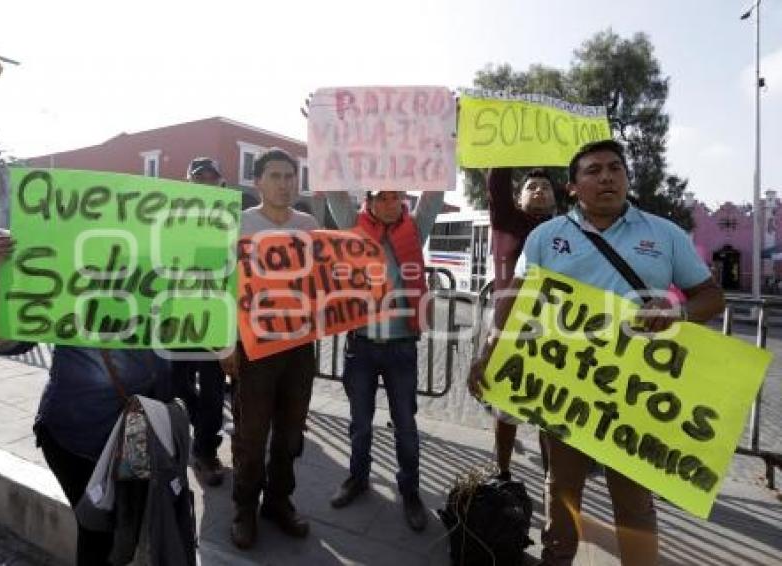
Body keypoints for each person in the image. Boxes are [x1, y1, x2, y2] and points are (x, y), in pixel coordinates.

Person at [469, 139, 725, 565]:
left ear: (626, 177)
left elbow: (711, 298)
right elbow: (517, 301)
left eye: (615, 168)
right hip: (565, 389)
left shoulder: (665, 234)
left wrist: (677, 310)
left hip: (632, 398)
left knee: (634, 502)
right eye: (593, 171)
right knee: (562, 491)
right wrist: (490, 349)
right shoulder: (545, 237)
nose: (606, 177)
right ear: (572, 187)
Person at [0, 235, 174, 566]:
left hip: (138, 434)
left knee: (124, 529)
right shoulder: (65, 281)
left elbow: (204, 337)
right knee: (97, 532)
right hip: (76, 438)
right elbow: (2, 339)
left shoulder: (161, 281)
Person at [324, 188, 443, 532]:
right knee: (359, 423)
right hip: (361, 346)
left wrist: (441, 146)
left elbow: (433, 194)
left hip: (401, 347)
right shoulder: (354, 226)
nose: (391, 205)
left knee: (405, 425)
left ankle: (410, 492)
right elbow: (335, 193)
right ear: (370, 201)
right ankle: (357, 479)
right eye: (383, 198)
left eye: (397, 198)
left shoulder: (416, 229)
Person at [219, 148, 319, 550]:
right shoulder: (238, 226)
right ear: (258, 181)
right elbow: (223, 288)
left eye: (290, 176)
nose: (284, 183)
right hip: (253, 348)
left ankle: (279, 501)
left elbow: (322, 283)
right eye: (275, 176)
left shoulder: (310, 225)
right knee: (251, 433)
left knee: (290, 432)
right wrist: (225, 347)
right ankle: (245, 507)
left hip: (299, 347)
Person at [486, 167, 557, 480]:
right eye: (532, 186)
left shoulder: (568, 229)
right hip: (511, 329)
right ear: (519, 196)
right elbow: (496, 182)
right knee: (507, 408)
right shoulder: (507, 222)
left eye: (545, 186)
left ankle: (551, 477)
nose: (539, 190)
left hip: (556, 332)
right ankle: (501, 471)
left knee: (550, 412)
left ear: (557, 197)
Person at [171, 157, 229, 486]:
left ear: (220, 182)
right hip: (178, 315)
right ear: (189, 181)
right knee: (175, 383)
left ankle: (206, 451)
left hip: (215, 317)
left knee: (212, 391)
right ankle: (201, 425)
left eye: (212, 177)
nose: (206, 181)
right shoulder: (174, 215)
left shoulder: (231, 217)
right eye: (200, 177)